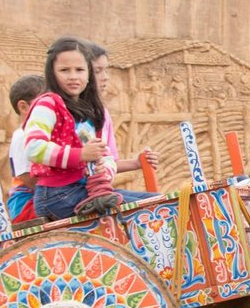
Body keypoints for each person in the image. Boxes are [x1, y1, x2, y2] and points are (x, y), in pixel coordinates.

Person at [23, 37, 145, 219]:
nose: (73, 76)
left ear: (88, 74)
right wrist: (80, 155)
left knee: (156, 202)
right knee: (143, 212)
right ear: (52, 73)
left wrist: (105, 171)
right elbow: (33, 148)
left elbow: (106, 156)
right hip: (56, 195)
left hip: (84, 189)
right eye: (64, 70)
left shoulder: (92, 111)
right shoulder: (48, 104)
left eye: (79, 70)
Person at [86, 42, 159, 186]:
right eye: (97, 71)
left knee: (162, 203)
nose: (105, 77)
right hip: (79, 192)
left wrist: (138, 162)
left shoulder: (103, 113)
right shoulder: (70, 113)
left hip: (100, 189)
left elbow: (109, 161)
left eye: (106, 70)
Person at [6, 74, 47, 224]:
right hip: (27, 204)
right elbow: (26, 177)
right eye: (45, 105)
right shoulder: (22, 135)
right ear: (23, 107)